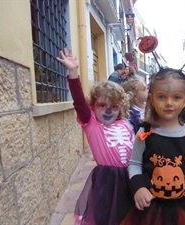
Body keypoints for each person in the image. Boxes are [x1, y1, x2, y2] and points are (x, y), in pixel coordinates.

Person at [121, 68, 185, 225]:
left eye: (176, 97)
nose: (169, 103)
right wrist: (138, 187)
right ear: (151, 99)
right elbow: (135, 163)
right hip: (150, 211)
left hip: (183, 211)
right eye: (161, 97)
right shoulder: (145, 132)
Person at [57, 48, 134, 225]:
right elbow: (79, 102)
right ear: (93, 106)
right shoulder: (92, 124)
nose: (108, 111)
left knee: (130, 216)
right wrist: (73, 73)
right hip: (107, 180)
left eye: (113, 107)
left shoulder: (125, 124)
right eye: (102, 105)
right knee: (106, 217)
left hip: (131, 177)